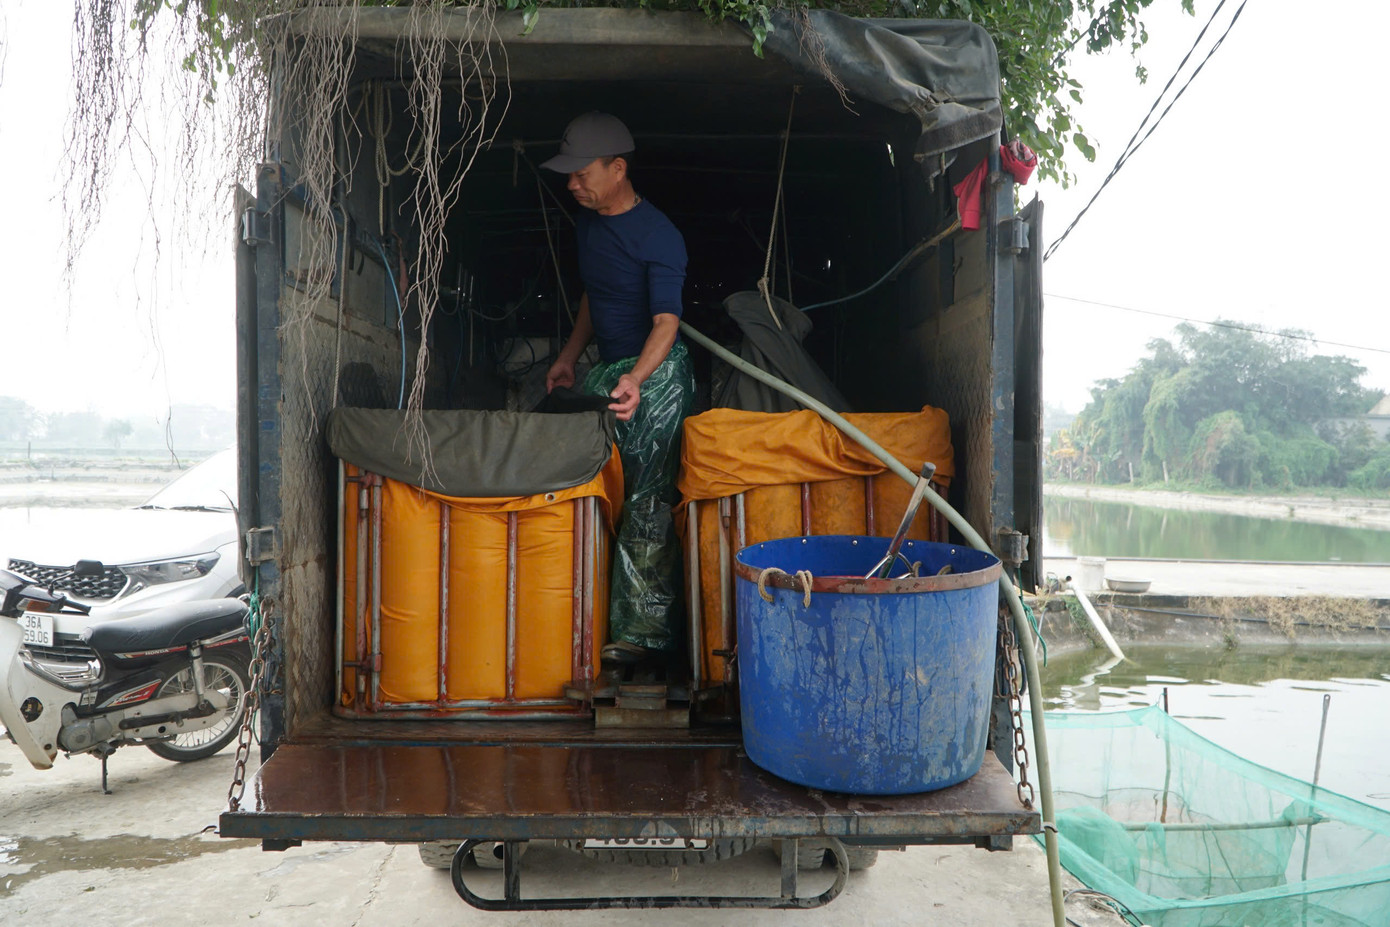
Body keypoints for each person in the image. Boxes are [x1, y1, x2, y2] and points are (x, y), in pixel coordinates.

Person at [542, 112, 694, 666]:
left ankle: (645, 638)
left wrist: (635, 379)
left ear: (617, 169)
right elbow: (595, 294)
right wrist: (568, 357)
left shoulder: (659, 236)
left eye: (581, 174)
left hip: (656, 380)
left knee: (647, 504)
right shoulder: (589, 222)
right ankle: (582, 623)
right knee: (599, 496)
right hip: (609, 373)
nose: (572, 184)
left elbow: (666, 324)